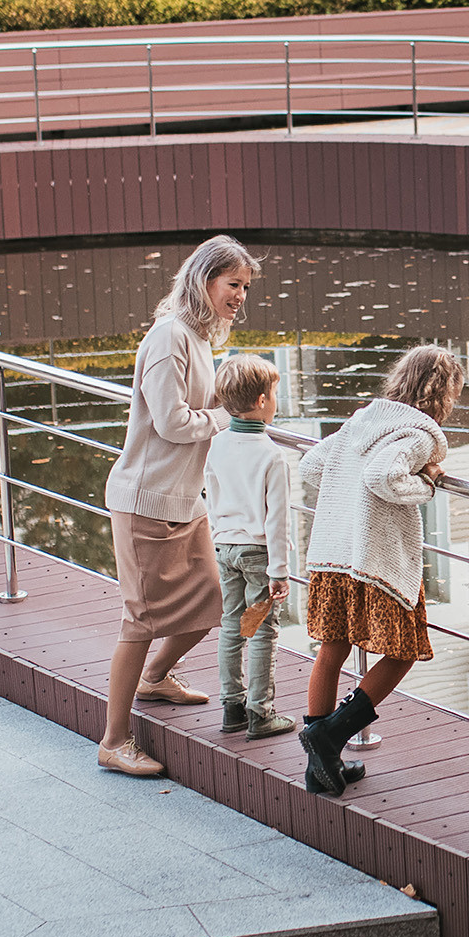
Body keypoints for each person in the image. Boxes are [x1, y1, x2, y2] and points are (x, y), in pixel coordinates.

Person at [96, 236, 254, 778]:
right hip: (145, 502)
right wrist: (226, 420)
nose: (240, 296)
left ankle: (155, 678)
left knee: (212, 602)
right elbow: (171, 422)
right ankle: (114, 742)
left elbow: (197, 407)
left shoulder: (197, 338)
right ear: (205, 280)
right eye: (233, 284)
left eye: (244, 288)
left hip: (185, 501)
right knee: (139, 620)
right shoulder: (169, 338)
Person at [296, 344, 464, 796]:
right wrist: (427, 482)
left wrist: (349, 496)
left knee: (332, 647)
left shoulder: (363, 420)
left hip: (334, 552)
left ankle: (320, 767)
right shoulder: (419, 435)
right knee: (405, 649)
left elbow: (312, 465)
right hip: (377, 560)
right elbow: (384, 478)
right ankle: (330, 734)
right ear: (444, 393)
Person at [205, 354, 297, 741]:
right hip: (258, 554)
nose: (276, 400)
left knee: (231, 624)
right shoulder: (271, 454)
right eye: (274, 393)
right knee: (260, 632)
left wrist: (216, 537)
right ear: (261, 401)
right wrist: (280, 570)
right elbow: (276, 519)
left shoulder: (215, 444)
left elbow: (209, 495)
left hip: (224, 547)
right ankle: (261, 712)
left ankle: (232, 707)